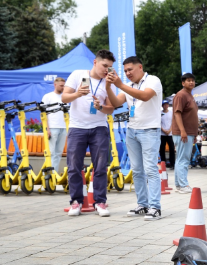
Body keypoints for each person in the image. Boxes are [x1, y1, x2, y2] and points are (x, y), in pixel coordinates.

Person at [105, 56, 164, 220]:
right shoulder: (128, 86)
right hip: (132, 131)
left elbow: (145, 96)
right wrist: (109, 86)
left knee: (151, 169)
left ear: (140, 67)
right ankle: (142, 205)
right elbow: (116, 102)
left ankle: (155, 207)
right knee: (137, 170)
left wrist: (120, 84)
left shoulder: (153, 80)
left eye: (130, 69)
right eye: (124, 71)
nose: (127, 73)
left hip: (149, 130)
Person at [62, 50, 116, 217]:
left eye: (110, 67)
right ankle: (76, 202)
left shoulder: (109, 82)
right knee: (74, 167)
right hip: (77, 128)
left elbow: (111, 109)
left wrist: (100, 107)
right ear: (95, 62)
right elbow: (64, 98)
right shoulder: (78, 74)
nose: (107, 70)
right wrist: (77, 93)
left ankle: (100, 202)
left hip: (99, 128)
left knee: (100, 167)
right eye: (104, 65)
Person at [172, 73, 199, 194]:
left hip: (189, 132)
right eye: (188, 80)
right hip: (183, 132)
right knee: (183, 159)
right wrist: (183, 131)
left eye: (193, 80)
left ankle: (179, 185)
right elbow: (177, 113)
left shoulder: (189, 95)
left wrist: (194, 133)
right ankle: (183, 185)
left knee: (181, 158)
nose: (191, 82)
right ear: (183, 83)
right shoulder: (181, 95)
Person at [41, 77, 67, 174]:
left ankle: (54, 174)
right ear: (55, 85)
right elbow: (44, 114)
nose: (63, 87)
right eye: (61, 86)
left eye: (64, 86)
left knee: (58, 153)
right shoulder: (48, 96)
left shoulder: (65, 97)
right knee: (50, 152)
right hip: (52, 127)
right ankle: (48, 174)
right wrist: (47, 128)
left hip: (63, 127)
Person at [160, 100, 175, 169]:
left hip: (170, 133)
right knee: (162, 148)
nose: (165, 106)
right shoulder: (160, 113)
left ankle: (172, 163)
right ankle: (163, 162)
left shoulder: (171, 113)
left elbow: (173, 122)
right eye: (164, 105)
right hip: (162, 133)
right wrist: (163, 130)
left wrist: (170, 130)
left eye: (166, 105)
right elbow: (158, 123)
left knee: (171, 148)